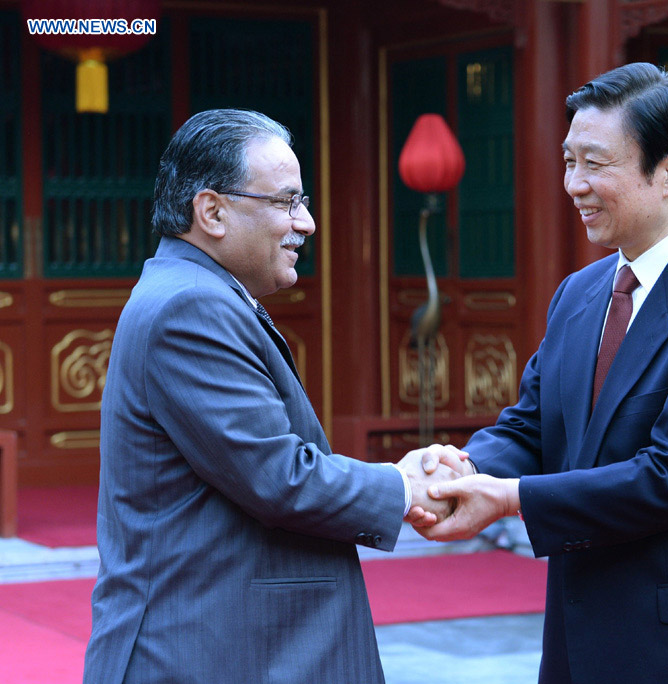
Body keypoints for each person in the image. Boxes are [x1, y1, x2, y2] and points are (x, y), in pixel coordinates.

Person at [417, 63, 668, 684]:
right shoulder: (581, 292)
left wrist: (506, 500)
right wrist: (464, 468)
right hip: (574, 639)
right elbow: (532, 427)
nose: (573, 184)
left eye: (595, 164)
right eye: (569, 162)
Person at [82, 108, 460, 684]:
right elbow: (279, 476)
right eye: (287, 202)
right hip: (202, 650)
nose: (305, 223)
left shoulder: (194, 292)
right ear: (211, 211)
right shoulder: (192, 308)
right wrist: (403, 484)